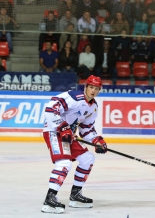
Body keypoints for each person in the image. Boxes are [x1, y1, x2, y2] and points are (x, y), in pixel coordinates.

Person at [41, 75, 107, 214]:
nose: (93, 91)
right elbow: (50, 108)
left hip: (68, 135)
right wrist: (63, 127)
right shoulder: (74, 97)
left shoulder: (93, 107)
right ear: (86, 87)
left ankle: (75, 195)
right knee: (64, 164)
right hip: (54, 131)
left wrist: (97, 141)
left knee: (88, 159)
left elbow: (86, 128)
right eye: (91, 87)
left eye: (96, 88)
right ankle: (50, 199)